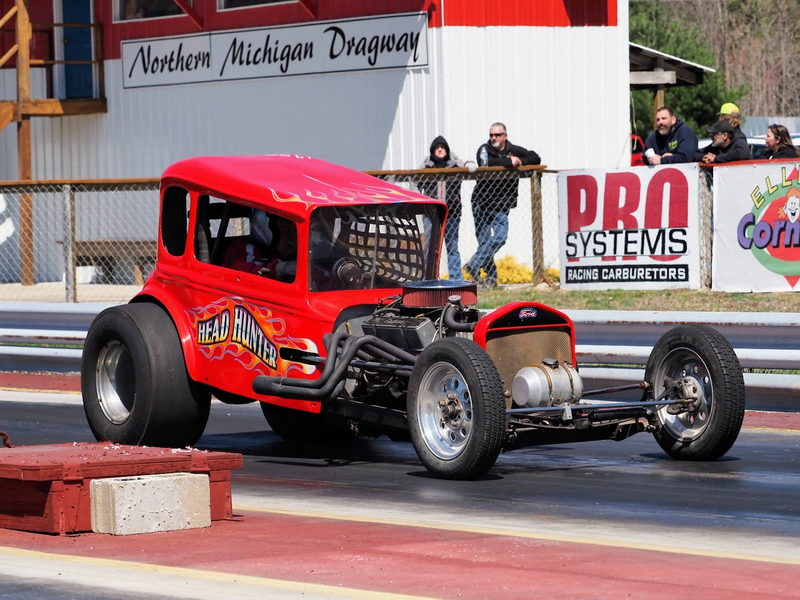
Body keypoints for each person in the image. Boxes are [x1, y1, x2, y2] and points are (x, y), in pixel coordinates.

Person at [463, 122, 540, 288]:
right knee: (485, 242)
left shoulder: (514, 149)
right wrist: (508, 161)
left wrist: (518, 160)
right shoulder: (485, 149)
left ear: (505, 136)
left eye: (497, 135)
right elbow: (487, 163)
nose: (493, 138)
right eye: (491, 135)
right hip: (481, 202)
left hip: (501, 204)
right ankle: (491, 278)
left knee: (500, 237)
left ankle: (473, 264)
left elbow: (535, 157)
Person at [418, 135, 476, 280]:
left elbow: (471, 167)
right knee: (430, 247)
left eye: (442, 147)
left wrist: (462, 160)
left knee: (452, 247)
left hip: (452, 212)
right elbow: (415, 181)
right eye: (437, 148)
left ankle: (456, 278)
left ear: (447, 150)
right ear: (432, 150)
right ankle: (428, 278)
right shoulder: (426, 166)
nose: (439, 150)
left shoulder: (454, 164)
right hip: (431, 213)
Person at [222, 210, 297, 282]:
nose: (292, 242)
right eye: (287, 233)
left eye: (295, 234)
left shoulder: (300, 257)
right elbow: (240, 275)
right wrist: (279, 268)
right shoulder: (241, 250)